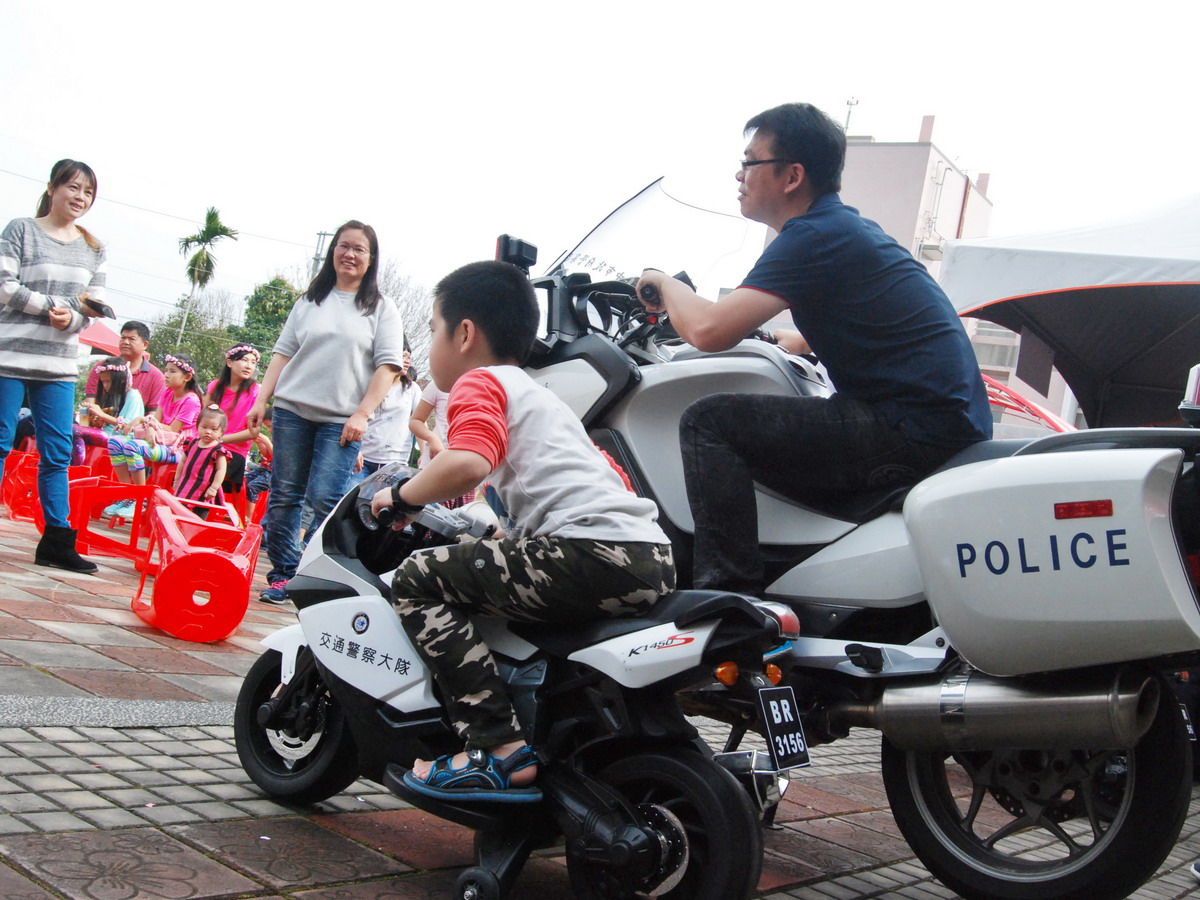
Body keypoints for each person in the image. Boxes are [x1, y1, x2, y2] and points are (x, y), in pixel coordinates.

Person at [636, 102, 992, 596]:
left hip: (910, 426)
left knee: (708, 422)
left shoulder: (812, 234)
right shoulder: (842, 228)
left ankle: (726, 597)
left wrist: (662, 282)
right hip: (939, 418)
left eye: (750, 162)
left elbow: (709, 331)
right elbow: (871, 316)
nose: (739, 175)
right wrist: (799, 341)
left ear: (792, 176)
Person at [370, 260, 675, 803]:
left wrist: (399, 496)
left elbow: (467, 463)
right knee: (487, 561)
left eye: (434, 328)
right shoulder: (540, 394)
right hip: (646, 553)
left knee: (418, 578)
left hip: (591, 553)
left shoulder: (478, 383)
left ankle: (496, 748)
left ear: (464, 333)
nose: (433, 342)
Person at [247, 220, 405, 605]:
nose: (349, 254)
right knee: (284, 495)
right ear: (333, 251)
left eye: (359, 249)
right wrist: (261, 398)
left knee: (325, 498)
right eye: (343, 246)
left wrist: (363, 414)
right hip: (291, 411)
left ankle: (314, 574)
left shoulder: (381, 308)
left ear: (371, 259)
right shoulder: (310, 300)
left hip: (343, 420)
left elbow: (389, 367)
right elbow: (283, 352)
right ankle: (284, 573)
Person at [0, 159, 109, 573]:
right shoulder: (21, 230)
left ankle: (57, 542)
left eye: (88, 192)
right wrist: (54, 308)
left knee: (58, 453)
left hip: (59, 364)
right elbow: (4, 286)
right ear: (52, 187)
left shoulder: (94, 246)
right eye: (74, 188)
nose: (80, 198)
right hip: (9, 356)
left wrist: (75, 318)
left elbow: (93, 304)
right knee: (0, 440)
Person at [103, 352, 203, 518]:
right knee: (115, 442)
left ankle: (139, 498)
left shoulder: (191, 400)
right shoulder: (167, 393)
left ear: (187, 377)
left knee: (133, 446)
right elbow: (155, 421)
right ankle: (126, 494)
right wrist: (148, 425)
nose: (166, 374)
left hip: (177, 449)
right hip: (160, 441)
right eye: (166, 370)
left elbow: (172, 429)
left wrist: (144, 421)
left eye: (172, 371)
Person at [202, 344, 261, 494]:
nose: (249, 366)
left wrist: (220, 440)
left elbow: (253, 432)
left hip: (234, 452)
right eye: (244, 360)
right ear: (230, 362)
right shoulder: (215, 386)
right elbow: (201, 417)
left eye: (253, 362)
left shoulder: (255, 391)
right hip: (208, 444)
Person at [358, 347, 419, 478]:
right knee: (352, 497)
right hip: (363, 458)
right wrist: (354, 449)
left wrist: (425, 455)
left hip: (395, 460)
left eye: (409, 357)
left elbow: (420, 421)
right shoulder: (367, 385)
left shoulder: (412, 389)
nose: (407, 361)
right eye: (403, 356)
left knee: (385, 498)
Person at [84, 321, 165, 418]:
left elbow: (153, 415)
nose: (125, 342)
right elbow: (90, 403)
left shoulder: (156, 376)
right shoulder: (102, 368)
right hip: (98, 426)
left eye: (131, 339)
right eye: (123, 338)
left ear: (145, 345)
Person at [74, 357, 144, 463]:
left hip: (118, 439)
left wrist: (101, 414)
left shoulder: (133, 396)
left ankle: (77, 464)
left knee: (75, 430)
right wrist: (85, 412)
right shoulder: (114, 397)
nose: (105, 385)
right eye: (103, 382)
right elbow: (86, 425)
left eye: (109, 382)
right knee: (71, 424)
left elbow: (128, 426)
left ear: (122, 379)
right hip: (105, 434)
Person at [172, 405, 229, 515]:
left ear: (221, 432)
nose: (208, 432)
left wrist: (214, 488)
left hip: (204, 490)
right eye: (204, 427)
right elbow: (183, 461)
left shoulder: (218, 451)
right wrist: (176, 480)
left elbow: (221, 470)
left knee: (199, 514)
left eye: (214, 429)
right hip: (186, 485)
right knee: (178, 511)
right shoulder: (192, 443)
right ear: (197, 426)